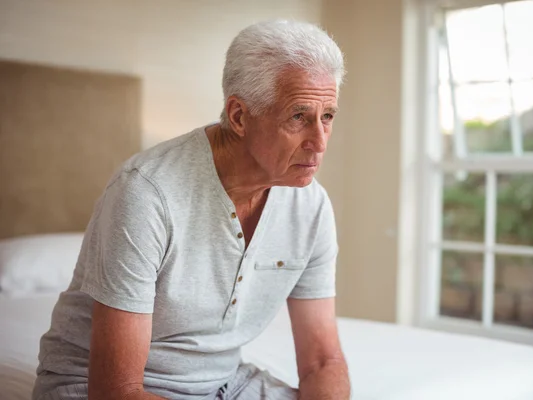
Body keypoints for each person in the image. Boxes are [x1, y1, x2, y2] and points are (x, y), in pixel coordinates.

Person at [33, 19, 350, 400]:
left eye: (327, 116)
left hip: (224, 383)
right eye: (299, 116)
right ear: (238, 117)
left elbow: (321, 363)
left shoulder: (310, 207)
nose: (319, 142)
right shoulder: (146, 192)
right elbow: (116, 391)